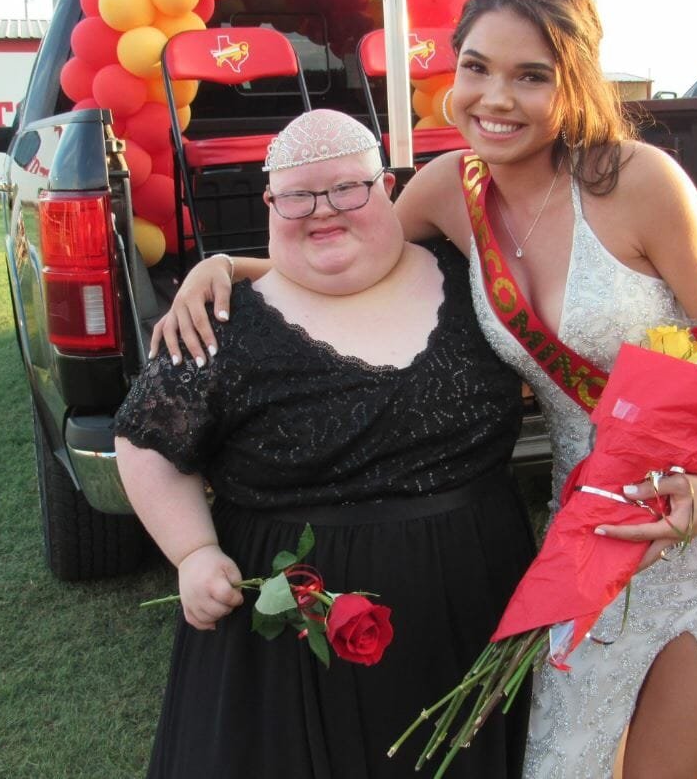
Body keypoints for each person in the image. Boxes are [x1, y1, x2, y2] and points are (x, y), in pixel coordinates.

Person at [152, 0, 697, 779]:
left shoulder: (639, 183)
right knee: (566, 761)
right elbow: (353, 253)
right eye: (477, 67)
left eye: (531, 75)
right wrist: (226, 267)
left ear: (575, 81)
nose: (496, 98)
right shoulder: (445, 191)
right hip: (592, 521)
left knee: (671, 765)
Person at [115, 109, 536, 779]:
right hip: (288, 656)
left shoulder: (471, 281)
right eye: (299, 197)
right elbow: (147, 441)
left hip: (477, 611)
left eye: (347, 188)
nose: (324, 211)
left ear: (388, 187)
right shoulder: (220, 320)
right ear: (269, 204)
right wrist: (192, 552)